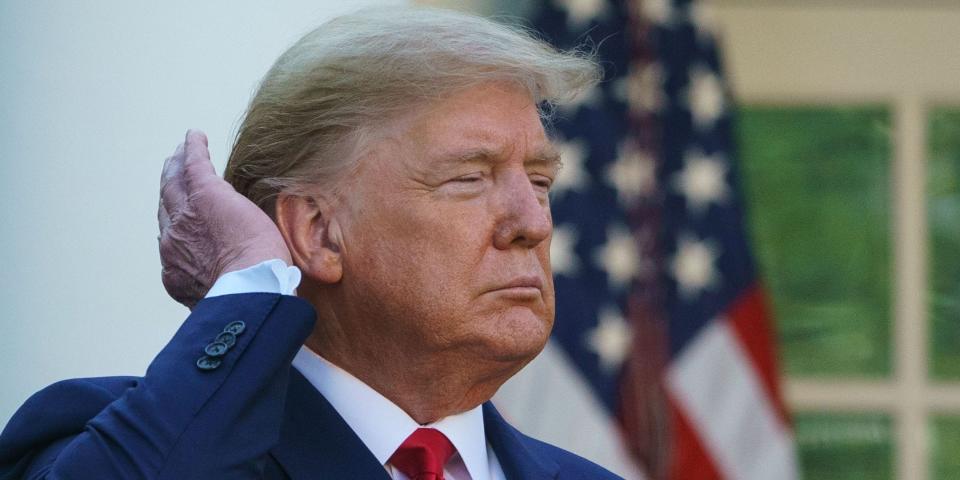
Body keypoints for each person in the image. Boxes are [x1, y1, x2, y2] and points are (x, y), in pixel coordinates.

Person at [0, 7, 620, 479]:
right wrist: (248, 285)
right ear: (318, 232)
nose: (531, 223)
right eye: (469, 178)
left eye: (539, 182)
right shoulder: (130, 441)